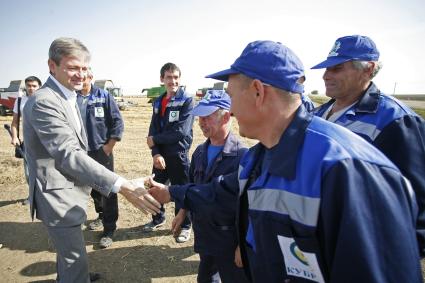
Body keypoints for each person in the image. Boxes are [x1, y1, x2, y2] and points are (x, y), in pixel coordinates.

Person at [148, 40, 422, 282]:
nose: (229, 111)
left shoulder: (345, 168)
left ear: (258, 91)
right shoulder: (260, 156)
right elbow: (222, 191)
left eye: (231, 97)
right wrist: (172, 192)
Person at [22, 37, 160, 283]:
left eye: (84, 69)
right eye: (73, 67)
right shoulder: (45, 102)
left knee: (71, 256)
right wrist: (124, 185)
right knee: (74, 259)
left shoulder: (68, 96)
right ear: (52, 66)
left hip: (69, 190)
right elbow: (68, 154)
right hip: (57, 198)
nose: (80, 74)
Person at [311, 35, 425, 255]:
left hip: (361, 247)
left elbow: (417, 204)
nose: (326, 76)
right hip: (319, 243)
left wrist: (393, 256)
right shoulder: (316, 115)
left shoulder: (396, 120)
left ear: (367, 69)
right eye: (326, 68)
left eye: (337, 68)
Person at [165, 89, 249, 282]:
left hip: (229, 240)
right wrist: (183, 212)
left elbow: (248, 208)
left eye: (207, 117)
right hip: (204, 235)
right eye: (199, 117)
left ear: (226, 116)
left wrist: (242, 245)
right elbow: (193, 186)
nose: (201, 122)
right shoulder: (199, 153)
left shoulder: (243, 156)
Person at [144, 62, 194, 243]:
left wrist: (156, 141)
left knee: (181, 191)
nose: (173, 81)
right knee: (154, 188)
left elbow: (180, 131)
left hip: (178, 154)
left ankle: (185, 226)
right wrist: (155, 153)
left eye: (176, 77)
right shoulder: (158, 101)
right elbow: (153, 129)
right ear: (161, 79)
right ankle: (158, 218)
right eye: (169, 77)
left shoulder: (187, 100)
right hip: (160, 157)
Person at [77, 69, 124, 248]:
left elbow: (117, 122)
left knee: (107, 188)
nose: (81, 80)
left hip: (100, 151)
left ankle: (109, 228)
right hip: (80, 152)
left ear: (91, 78)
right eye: (79, 77)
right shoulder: (72, 98)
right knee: (91, 187)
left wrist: (108, 146)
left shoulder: (103, 96)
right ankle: (101, 215)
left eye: (85, 77)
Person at [10, 76, 41, 205]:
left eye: (34, 86)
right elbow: (14, 123)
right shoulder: (19, 101)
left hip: (45, 142)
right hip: (28, 143)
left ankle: (45, 198)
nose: (31, 88)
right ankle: (33, 197)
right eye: (29, 85)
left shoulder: (44, 100)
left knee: (46, 172)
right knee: (29, 173)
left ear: (39, 87)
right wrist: (14, 137)